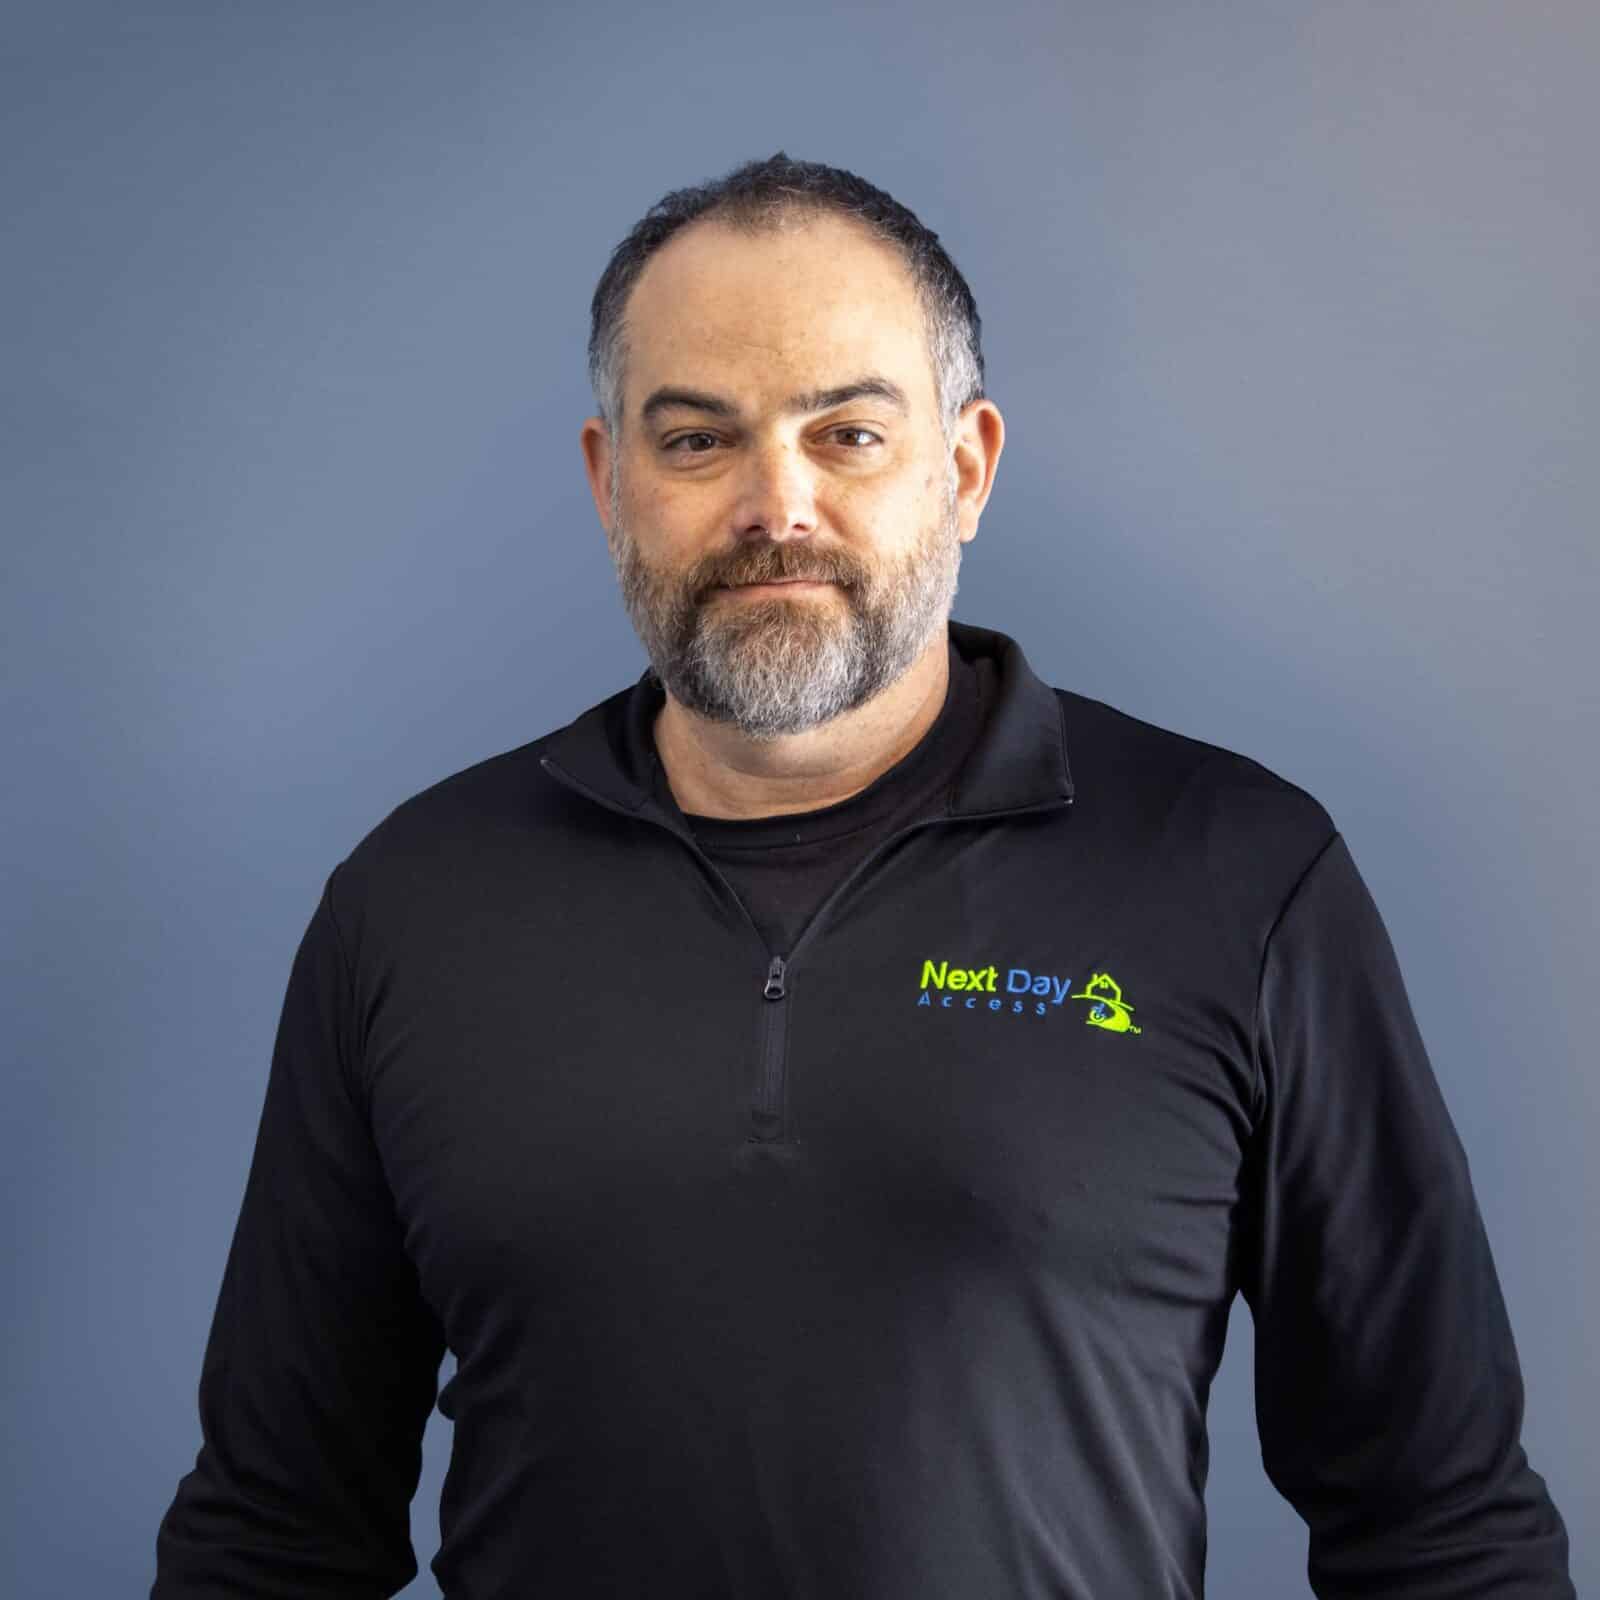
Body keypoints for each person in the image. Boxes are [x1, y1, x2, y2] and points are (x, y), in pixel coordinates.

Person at [150, 152, 1575, 1598]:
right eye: (697, 440)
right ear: (609, 481)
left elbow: (1443, 1532)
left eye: (847, 434)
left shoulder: (1236, 873)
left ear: (966, 469)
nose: (777, 506)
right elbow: (272, 1534)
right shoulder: (418, 903)